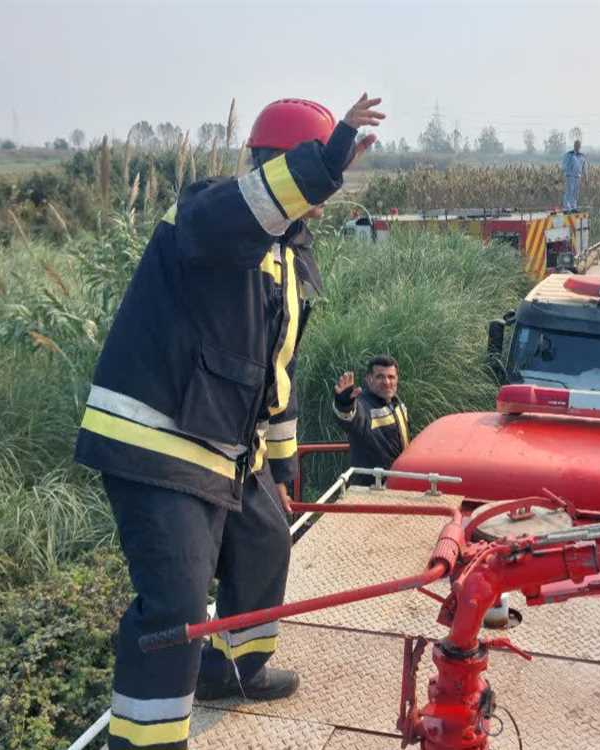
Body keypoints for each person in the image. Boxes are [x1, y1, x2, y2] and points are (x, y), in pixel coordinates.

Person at [74, 93, 385, 750]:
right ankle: (145, 740)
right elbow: (249, 208)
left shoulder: (291, 260)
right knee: (178, 608)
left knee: (269, 539)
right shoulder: (210, 214)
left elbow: (279, 374)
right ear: (275, 166)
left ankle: (229, 672)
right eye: (315, 173)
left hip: (224, 448)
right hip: (156, 448)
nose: (324, 196)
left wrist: (280, 468)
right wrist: (326, 161)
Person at [332, 356, 409, 486]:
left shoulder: (398, 404)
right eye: (380, 377)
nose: (386, 382)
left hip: (398, 482)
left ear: (397, 379)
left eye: (391, 377)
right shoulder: (363, 405)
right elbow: (350, 418)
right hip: (372, 489)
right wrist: (344, 403)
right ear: (368, 379)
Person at [561, 139, 587, 212]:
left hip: (578, 177)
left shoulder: (582, 156)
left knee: (575, 193)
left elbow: (584, 167)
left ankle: (573, 207)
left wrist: (586, 177)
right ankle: (566, 208)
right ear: (574, 145)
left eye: (579, 145)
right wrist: (565, 173)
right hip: (570, 176)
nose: (577, 146)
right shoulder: (569, 154)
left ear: (580, 146)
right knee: (569, 192)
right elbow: (564, 165)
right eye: (576, 145)